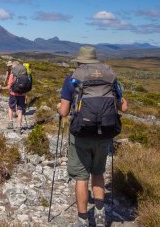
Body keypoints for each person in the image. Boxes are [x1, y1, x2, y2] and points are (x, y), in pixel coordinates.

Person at [57, 46, 128, 227]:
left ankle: (82, 219)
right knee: (98, 173)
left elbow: (64, 112)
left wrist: (59, 107)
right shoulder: (110, 78)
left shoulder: (72, 79)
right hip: (104, 134)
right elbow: (124, 107)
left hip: (80, 134)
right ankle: (100, 214)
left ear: (80, 61)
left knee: (81, 177)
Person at [0, 61, 26, 134]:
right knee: (20, 111)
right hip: (22, 95)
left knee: (11, 108)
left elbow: (9, 86)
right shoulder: (25, 74)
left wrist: (2, 88)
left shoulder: (12, 74)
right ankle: (19, 128)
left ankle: (11, 123)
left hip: (13, 94)